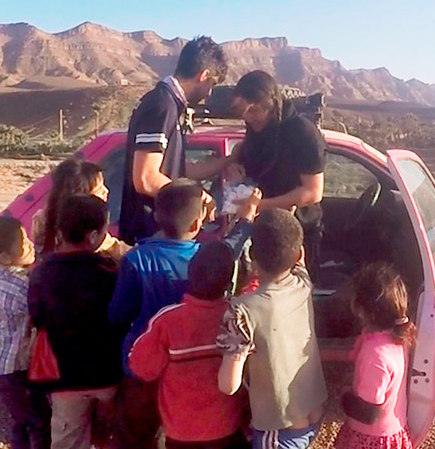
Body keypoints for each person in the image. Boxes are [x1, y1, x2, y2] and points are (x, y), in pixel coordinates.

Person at [109, 179, 260, 449]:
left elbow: (118, 314)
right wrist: (246, 219)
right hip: (190, 371)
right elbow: (230, 248)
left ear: (156, 216)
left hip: (143, 371)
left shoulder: (136, 259)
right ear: (196, 225)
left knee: (136, 437)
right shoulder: (204, 259)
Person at [217, 208, 327, 449]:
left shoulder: (242, 311)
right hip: (313, 411)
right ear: (299, 253)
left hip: (279, 429)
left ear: (252, 256)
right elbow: (298, 261)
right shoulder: (304, 283)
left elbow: (228, 385)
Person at [128, 241, 251, 449]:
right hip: (227, 428)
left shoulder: (166, 321)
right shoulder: (237, 317)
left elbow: (142, 368)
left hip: (181, 432)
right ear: (229, 281)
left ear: (190, 275)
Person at [28, 196, 124, 449]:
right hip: (107, 374)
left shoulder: (42, 273)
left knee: (68, 438)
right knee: (111, 437)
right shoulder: (110, 272)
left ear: (59, 232)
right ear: (94, 236)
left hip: (64, 377)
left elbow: (37, 317)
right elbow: (122, 316)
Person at [119, 35, 232, 244]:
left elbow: (178, 170)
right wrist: (196, 198)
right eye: (212, 84)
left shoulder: (170, 105)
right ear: (204, 75)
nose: (209, 93)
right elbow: (145, 179)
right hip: (150, 236)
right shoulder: (162, 106)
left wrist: (230, 160)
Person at [227, 70, 325, 275]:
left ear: (271, 104)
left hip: (294, 234)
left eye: (253, 111)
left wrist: (259, 205)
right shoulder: (256, 129)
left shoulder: (302, 133)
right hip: (258, 231)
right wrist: (235, 167)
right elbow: (253, 167)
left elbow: (312, 192)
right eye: (243, 112)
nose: (248, 118)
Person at [0, 216, 51, 449]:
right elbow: (43, 313)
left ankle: (21, 437)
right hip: (10, 367)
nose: (30, 244)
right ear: (4, 257)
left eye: (27, 238)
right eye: (23, 243)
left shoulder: (1, 274)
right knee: (37, 418)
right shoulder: (19, 287)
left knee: (22, 415)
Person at [334, 264, 414, 449]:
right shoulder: (396, 336)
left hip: (371, 438)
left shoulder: (376, 355)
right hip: (391, 430)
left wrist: (345, 396)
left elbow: (369, 413)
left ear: (361, 310)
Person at [32, 158, 130, 260]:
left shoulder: (42, 219)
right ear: (81, 198)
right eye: (99, 190)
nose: (106, 191)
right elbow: (118, 251)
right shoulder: (91, 229)